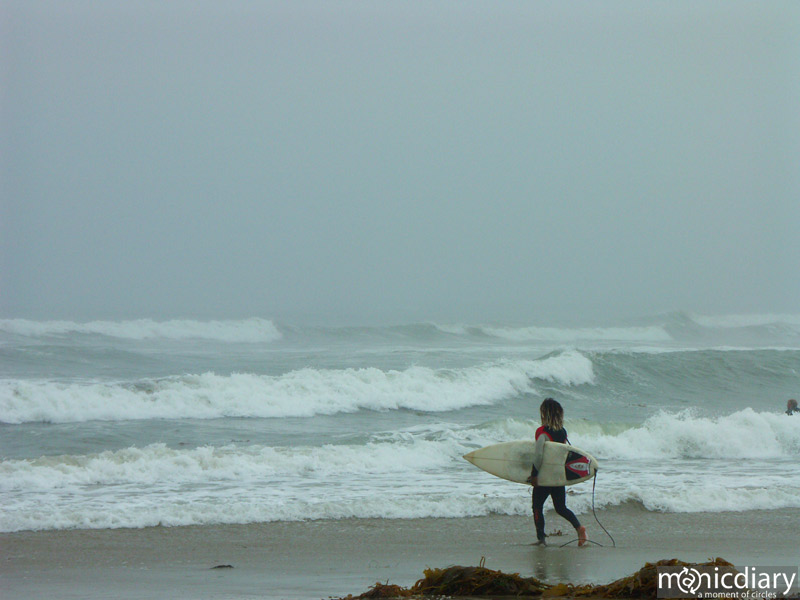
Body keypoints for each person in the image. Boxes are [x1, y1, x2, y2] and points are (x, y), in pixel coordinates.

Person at [527, 398, 587, 547]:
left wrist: (534, 474)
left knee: (537, 507)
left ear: (544, 413)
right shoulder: (562, 432)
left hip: (545, 477)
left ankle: (541, 539)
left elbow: (539, 455)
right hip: (558, 476)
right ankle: (580, 528)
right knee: (560, 508)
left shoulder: (542, 432)